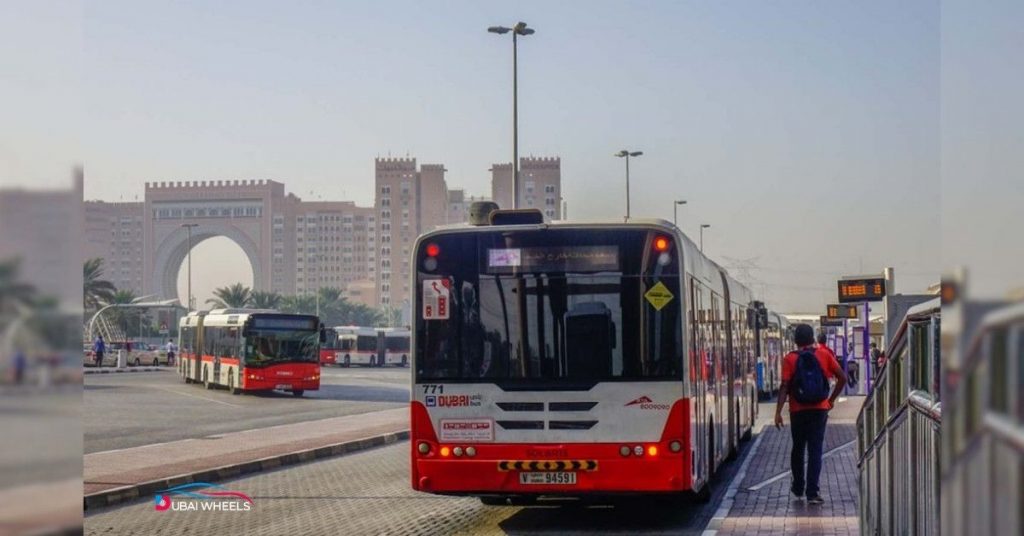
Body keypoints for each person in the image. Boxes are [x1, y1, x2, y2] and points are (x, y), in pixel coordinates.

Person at [774, 323, 847, 505]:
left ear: (795, 340)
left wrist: (778, 412)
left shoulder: (789, 359)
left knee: (798, 448)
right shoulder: (824, 355)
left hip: (797, 410)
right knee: (815, 450)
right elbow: (843, 377)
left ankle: (798, 486)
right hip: (820, 409)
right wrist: (831, 400)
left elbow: (784, 386)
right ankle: (813, 492)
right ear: (812, 338)